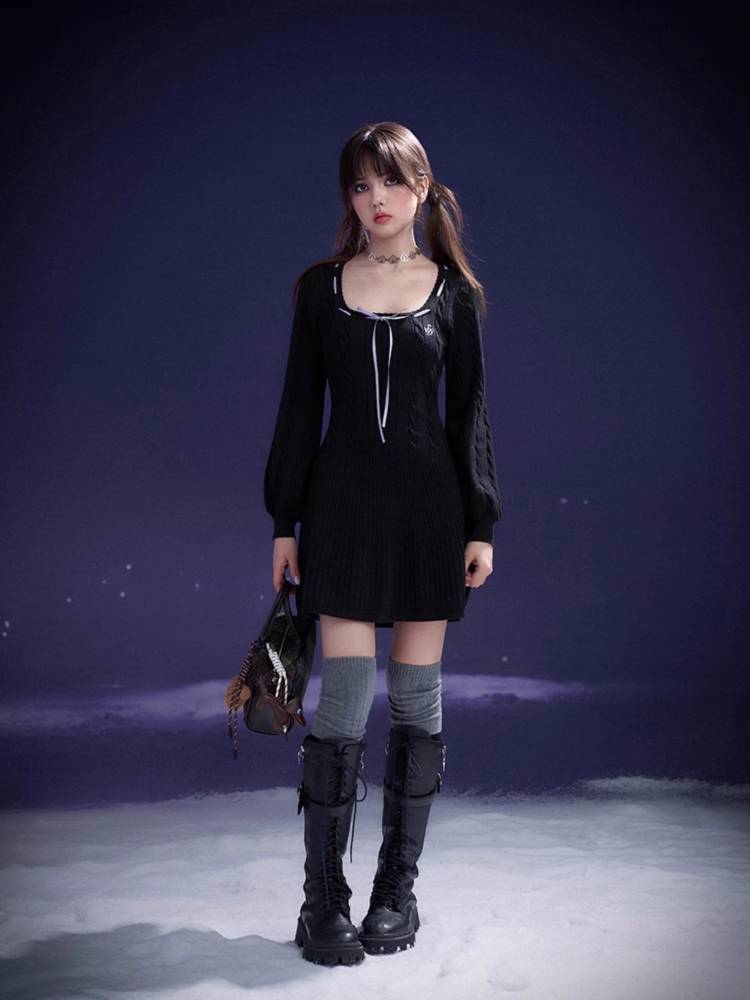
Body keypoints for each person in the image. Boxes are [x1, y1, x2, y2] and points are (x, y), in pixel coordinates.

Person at [263, 121, 502, 966]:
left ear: (422, 189)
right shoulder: (320, 290)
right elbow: (300, 409)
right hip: (340, 511)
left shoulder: (455, 294)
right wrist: (284, 521)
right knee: (341, 699)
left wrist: (481, 524)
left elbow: (469, 415)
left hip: (430, 514)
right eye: (360, 186)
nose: (376, 200)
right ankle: (321, 901)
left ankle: (396, 892)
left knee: (414, 700)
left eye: (391, 182)